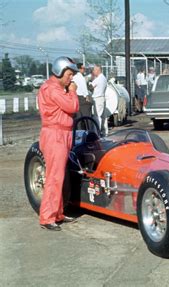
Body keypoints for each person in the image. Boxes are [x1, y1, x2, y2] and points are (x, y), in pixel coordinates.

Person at [37, 56, 79, 231]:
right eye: (69, 74)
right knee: (54, 177)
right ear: (60, 71)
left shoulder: (56, 88)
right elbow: (73, 107)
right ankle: (47, 217)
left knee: (59, 176)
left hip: (62, 133)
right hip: (55, 135)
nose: (71, 78)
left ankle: (57, 213)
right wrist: (73, 91)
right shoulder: (53, 90)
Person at [72, 63, 92, 128]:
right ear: (79, 69)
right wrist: (87, 97)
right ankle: (89, 131)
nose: (84, 70)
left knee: (78, 118)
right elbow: (84, 89)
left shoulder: (73, 77)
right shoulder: (81, 77)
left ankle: (79, 132)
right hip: (82, 98)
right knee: (87, 118)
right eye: (83, 68)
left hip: (75, 98)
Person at [91, 65, 108, 135]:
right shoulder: (104, 78)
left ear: (98, 70)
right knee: (104, 117)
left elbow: (91, 86)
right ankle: (105, 132)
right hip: (102, 97)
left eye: (94, 70)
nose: (93, 71)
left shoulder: (98, 79)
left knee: (97, 116)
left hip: (97, 98)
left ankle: (97, 133)